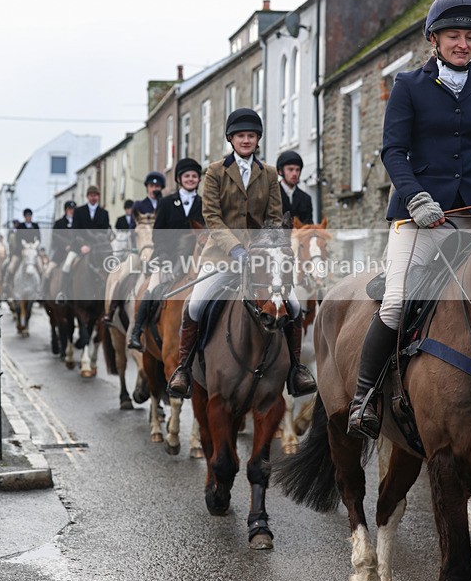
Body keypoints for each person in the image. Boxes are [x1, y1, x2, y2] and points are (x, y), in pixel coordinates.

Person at [347, 0, 471, 440]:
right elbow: (393, 151)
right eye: (453, 36)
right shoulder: (408, 86)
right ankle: (364, 397)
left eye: (470, 37)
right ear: (434, 40)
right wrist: (417, 198)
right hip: (418, 214)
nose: (463, 43)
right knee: (399, 299)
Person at [167, 108, 317, 399]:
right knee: (195, 306)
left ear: (257, 139)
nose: (246, 140)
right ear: (230, 139)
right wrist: (235, 248)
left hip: (261, 258)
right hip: (222, 256)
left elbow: (275, 217)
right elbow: (211, 215)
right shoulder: (214, 172)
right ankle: (184, 370)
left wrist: (267, 247)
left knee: (295, 307)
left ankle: (296, 370)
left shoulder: (270, 173)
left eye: (251, 136)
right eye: (240, 136)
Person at [128, 157, 204, 351]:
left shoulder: (204, 204)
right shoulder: (168, 202)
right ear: (179, 179)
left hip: (196, 259)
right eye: (187, 176)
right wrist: (162, 256)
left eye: (194, 176)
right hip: (167, 257)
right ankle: (137, 332)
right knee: (153, 289)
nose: (190, 179)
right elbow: (158, 233)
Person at [56, 186, 110, 303]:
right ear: (87, 196)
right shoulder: (79, 211)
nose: (93, 197)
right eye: (91, 195)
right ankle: (62, 292)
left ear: (98, 196)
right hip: (79, 247)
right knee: (67, 264)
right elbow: (76, 231)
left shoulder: (104, 213)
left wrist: (92, 246)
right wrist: (83, 245)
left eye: (95, 195)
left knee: (109, 265)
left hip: (97, 249)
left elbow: (103, 233)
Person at [276, 150, 313, 224]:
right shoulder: (272, 195)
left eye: (297, 170)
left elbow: (309, 226)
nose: (295, 174)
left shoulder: (306, 199)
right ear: (280, 171)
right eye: (290, 169)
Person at [51, 200, 76, 265]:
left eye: (74, 209)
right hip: (61, 252)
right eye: (70, 209)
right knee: (48, 270)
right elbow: (55, 237)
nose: (72, 211)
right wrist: (65, 246)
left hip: (76, 250)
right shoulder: (59, 223)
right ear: (65, 210)